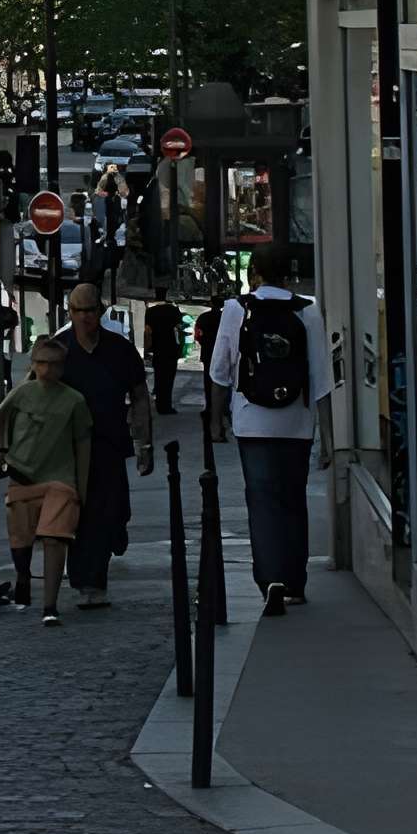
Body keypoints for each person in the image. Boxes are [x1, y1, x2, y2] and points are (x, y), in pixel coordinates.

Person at [207, 245, 333, 614]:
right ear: (288, 276)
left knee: (261, 503)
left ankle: (270, 579)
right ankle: (295, 580)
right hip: (297, 423)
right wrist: (328, 439)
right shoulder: (307, 311)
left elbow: (220, 370)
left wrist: (216, 421)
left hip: (252, 421)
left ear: (254, 274)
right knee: (293, 501)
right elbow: (322, 378)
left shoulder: (237, 309)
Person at [49, 284, 154, 610]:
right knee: (82, 516)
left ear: (101, 311)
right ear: (69, 312)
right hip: (70, 450)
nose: (85, 318)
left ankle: (111, 541)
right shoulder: (60, 350)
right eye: (78, 311)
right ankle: (88, 582)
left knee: (112, 513)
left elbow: (139, 396)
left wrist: (144, 443)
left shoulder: (119, 349)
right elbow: (37, 395)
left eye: (90, 310)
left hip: (110, 443)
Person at [0, 339, 93, 624]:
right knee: (20, 539)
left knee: (54, 538)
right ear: (33, 364)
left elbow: (83, 444)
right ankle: (23, 575)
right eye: (41, 363)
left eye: (54, 364)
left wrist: (81, 488)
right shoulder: (22, 393)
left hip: (60, 478)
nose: (47, 370)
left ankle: (50, 605)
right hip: (23, 475)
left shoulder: (74, 400)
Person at [141, 292, 184, 415]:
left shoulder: (150, 312)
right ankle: (167, 405)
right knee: (169, 378)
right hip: (170, 348)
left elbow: (148, 331)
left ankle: (160, 404)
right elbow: (178, 328)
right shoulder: (173, 310)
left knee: (159, 378)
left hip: (158, 349)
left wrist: (147, 348)